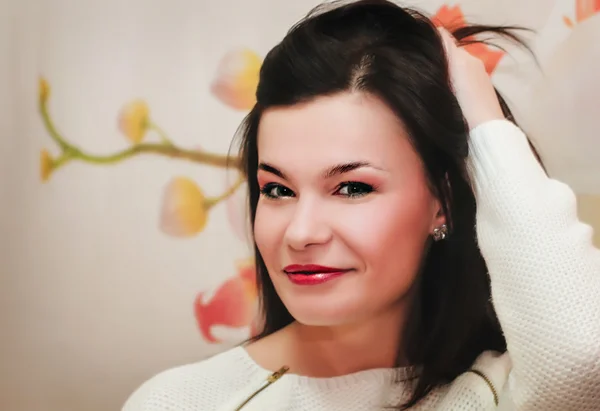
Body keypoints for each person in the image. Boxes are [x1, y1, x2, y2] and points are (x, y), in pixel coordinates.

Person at [122, 1, 600, 410]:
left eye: (352, 188)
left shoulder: (506, 393)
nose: (300, 232)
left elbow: (582, 358)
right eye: (278, 190)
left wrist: (483, 123)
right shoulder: (180, 401)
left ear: (444, 203)